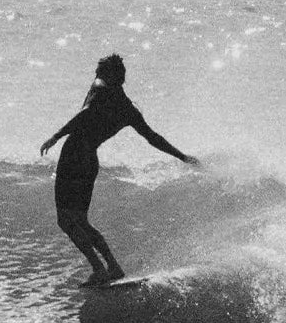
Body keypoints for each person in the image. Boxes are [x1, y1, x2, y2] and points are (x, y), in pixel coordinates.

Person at [39, 54, 197, 284]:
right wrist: (182, 156)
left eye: (100, 74)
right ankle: (112, 267)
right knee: (81, 220)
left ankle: (98, 269)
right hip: (90, 159)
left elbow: (84, 115)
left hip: (74, 155)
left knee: (66, 220)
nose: (96, 78)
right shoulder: (128, 110)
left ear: (107, 76)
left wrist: (55, 136)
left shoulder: (99, 90)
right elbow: (152, 138)